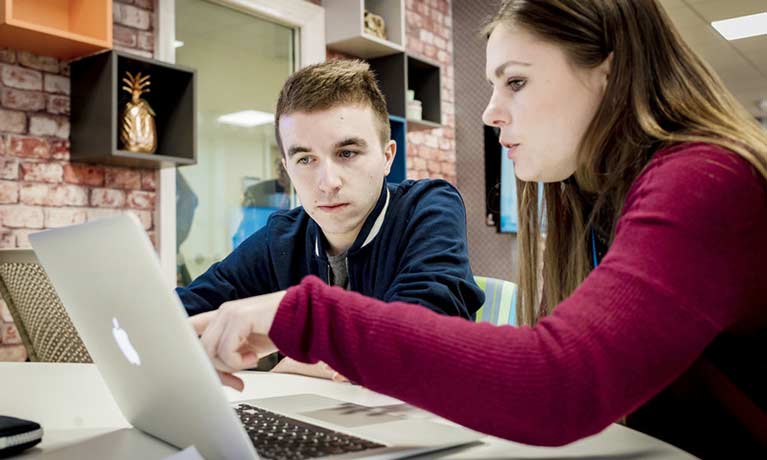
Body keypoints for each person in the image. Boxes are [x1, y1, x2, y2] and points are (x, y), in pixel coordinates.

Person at [194, 1, 767, 458]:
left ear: (608, 70)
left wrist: (304, 318)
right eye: (303, 159)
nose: (491, 112)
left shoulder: (706, 178)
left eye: (514, 81)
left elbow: (559, 385)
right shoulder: (596, 202)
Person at [179, 59, 484, 376]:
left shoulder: (429, 206)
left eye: (347, 153)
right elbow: (184, 312)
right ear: (287, 169)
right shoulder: (282, 238)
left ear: (387, 157)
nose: (327, 182)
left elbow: (421, 336)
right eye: (306, 159)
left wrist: (300, 359)